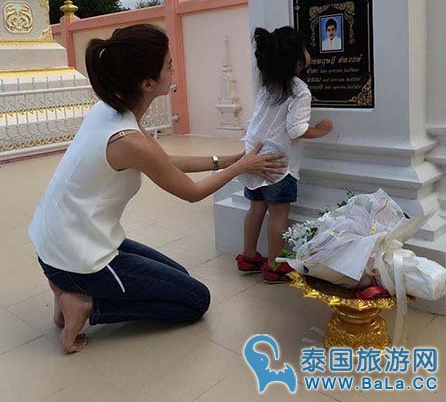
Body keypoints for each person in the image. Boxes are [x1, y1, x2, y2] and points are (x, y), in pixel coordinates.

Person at [28, 24, 286, 354]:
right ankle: (86, 304)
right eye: (168, 65)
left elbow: (163, 159)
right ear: (148, 83)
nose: (173, 68)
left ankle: (66, 290)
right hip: (77, 255)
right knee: (195, 300)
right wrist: (243, 167)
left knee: (177, 275)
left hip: (59, 240)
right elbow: (191, 193)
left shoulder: (111, 109)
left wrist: (229, 159)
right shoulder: (127, 139)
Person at [236, 27, 334, 283]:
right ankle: (274, 265)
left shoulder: (267, 86)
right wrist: (320, 130)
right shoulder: (300, 90)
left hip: (253, 160)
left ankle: (248, 256)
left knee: (256, 207)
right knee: (278, 214)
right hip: (278, 165)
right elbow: (296, 129)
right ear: (298, 60)